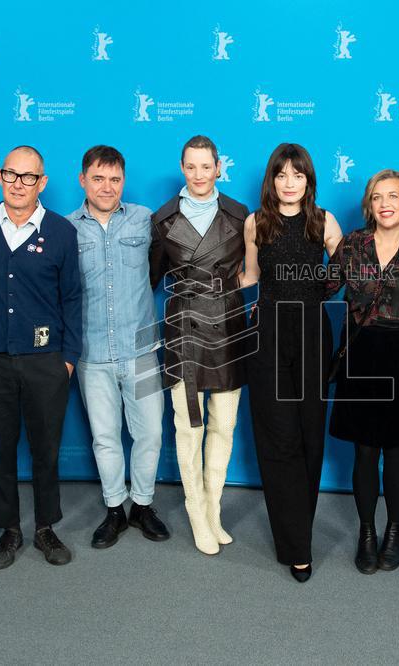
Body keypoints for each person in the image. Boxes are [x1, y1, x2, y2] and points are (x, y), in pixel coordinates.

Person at [0, 145, 82, 569]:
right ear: (0, 176)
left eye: (28, 176)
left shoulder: (61, 231)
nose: (18, 184)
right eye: (10, 175)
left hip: (46, 360)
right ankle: (10, 529)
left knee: (45, 449)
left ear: (42, 182)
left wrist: (68, 359)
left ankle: (45, 527)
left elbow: (72, 298)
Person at [238, 143, 342, 582]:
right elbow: (251, 276)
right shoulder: (255, 222)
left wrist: (315, 290)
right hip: (267, 334)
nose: (289, 183)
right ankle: (296, 546)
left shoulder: (324, 221)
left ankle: (301, 533)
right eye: (281, 175)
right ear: (272, 180)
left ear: (308, 180)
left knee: (309, 436)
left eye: (297, 175)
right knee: (277, 437)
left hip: (312, 332)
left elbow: (344, 270)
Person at [149, 135, 249, 556]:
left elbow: (252, 271)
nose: (199, 174)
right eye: (191, 166)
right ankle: (196, 512)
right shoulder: (162, 220)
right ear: (182, 167)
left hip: (228, 326)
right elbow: (150, 278)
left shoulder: (240, 215)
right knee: (188, 427)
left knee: (224, 425)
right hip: (184, 328)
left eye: (206, 166)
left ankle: (214, 509)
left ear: (218, 167)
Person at [325, 169, 399, 575]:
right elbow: (323, 287)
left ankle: (394, 530)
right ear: (369, 205)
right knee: (365, 450)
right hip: (361, 354)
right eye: (376, 197)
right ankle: (366, 532)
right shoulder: (353, 244)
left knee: (397, 448)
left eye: (393, 196)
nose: (385, 203)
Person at [68, 145, 169, 548]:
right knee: (105, 437)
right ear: (83, 180)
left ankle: (142, 506)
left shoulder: (145, 219)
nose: (107, 187)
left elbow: (159, 266)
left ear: (123, 181)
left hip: (141, 348)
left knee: (151, 434)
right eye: (98, 178)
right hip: (92, 352)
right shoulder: (65, 228)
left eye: (114, 179)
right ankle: (114, 510)